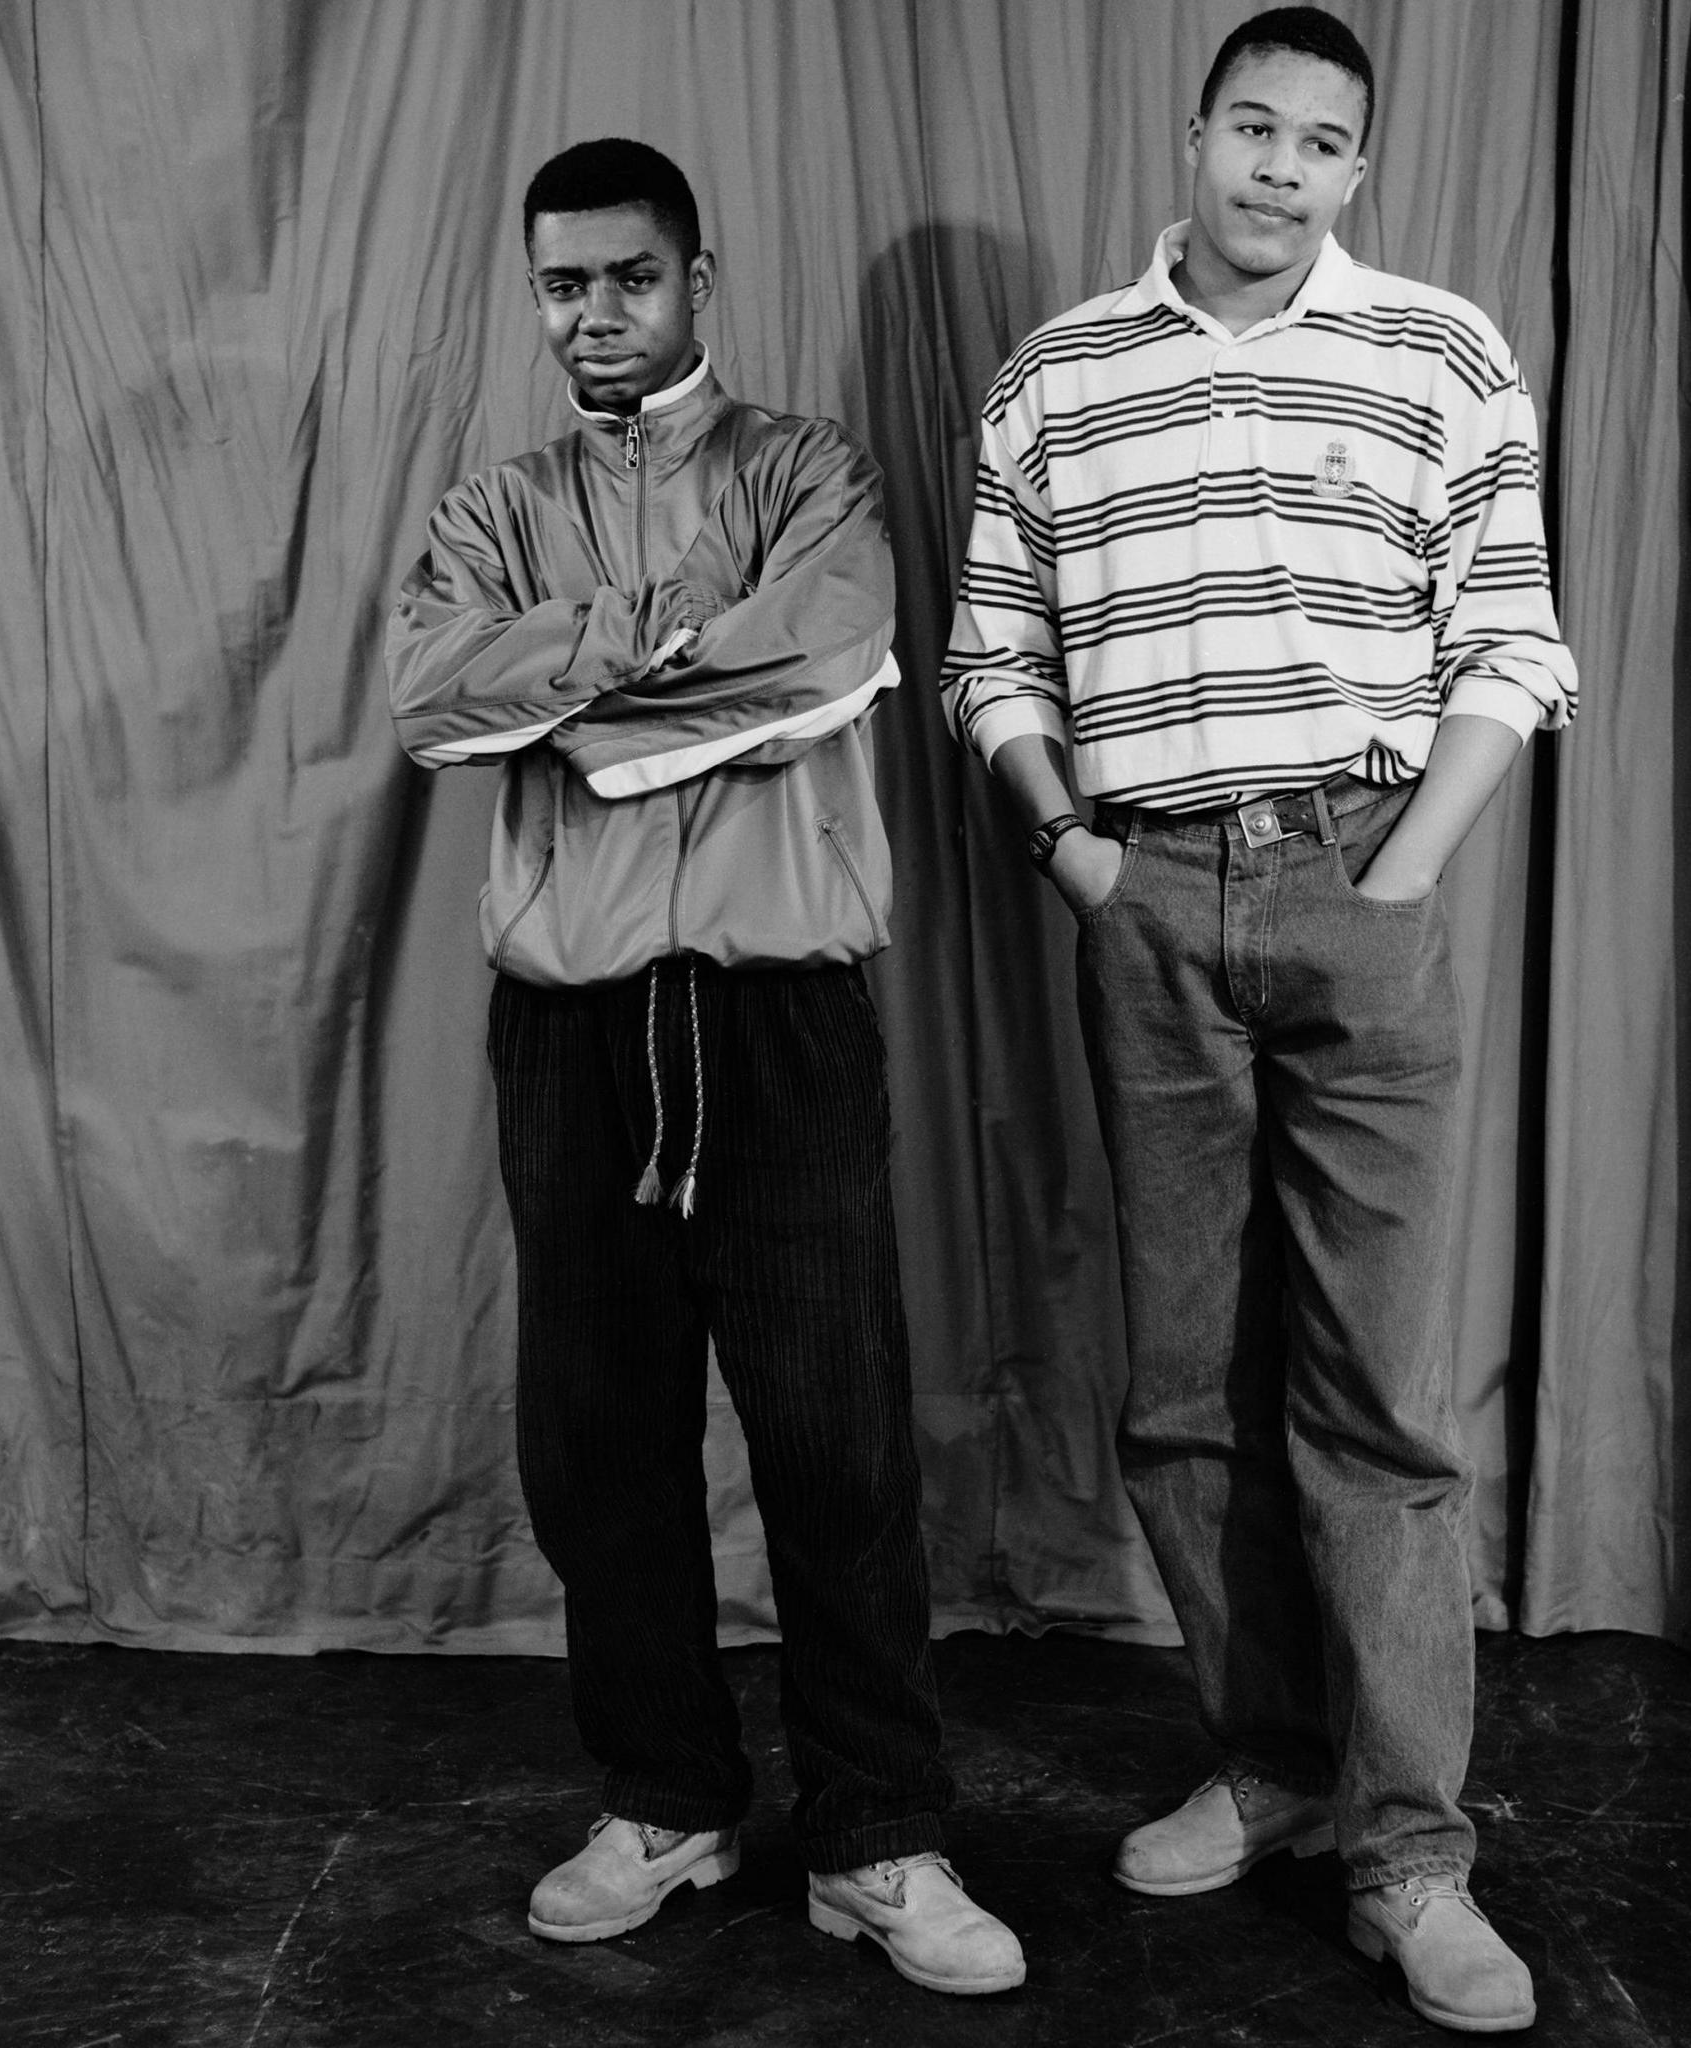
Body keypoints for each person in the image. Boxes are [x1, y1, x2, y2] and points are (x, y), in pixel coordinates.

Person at [943, 10, 1575, 2033]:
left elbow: (1511, 632)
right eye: (1252, 127)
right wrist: (1075, 857)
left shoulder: (1443, 353)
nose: (1281, 167)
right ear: (1196, 134)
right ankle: (1275, 1760)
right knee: (1182, 1389)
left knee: (1376, 1402)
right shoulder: (1058, 375)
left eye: (1324, 142)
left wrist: (1397, 887)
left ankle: (1409, 1856)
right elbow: (987, 650)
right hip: (1142, 892)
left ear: (1357, 170)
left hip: (1360, 870)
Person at [387, 137, 1023, 1999]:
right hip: (578, 1028)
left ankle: (880, 1836)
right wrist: (654, 643)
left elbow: (828, 658)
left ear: (698, 280)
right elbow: (433, 696)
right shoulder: (496, 504)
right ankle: (668, 1796)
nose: (597, 314)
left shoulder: (806, 469)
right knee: (600, 1446)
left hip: (778, 1009)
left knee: (832, 1435)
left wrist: (570, 710)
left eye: (632, 280)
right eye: (565, 285)